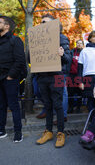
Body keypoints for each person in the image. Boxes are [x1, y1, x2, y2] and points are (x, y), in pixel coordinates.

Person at [0, 16, 26, 143]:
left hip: (9, 79)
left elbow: (20, 61)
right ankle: (0, 131)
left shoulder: (15, 40)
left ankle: (18, 132)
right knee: (0, 106)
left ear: (7, 26)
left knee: (14, 106)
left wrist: (10, 76)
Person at [35, 14, 71, 148]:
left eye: (46, 22)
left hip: (57, 76)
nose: (43, 24)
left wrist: (62, 54)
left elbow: (68, 59)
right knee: (48, 105)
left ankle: (60, 133)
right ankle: (48, 131)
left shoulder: (61, 38)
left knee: (58, 105)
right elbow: (29, 59)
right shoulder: (37, 38)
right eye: (42, 22)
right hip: (42, 76)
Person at [67, 39, 84, 113]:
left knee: (79, 92)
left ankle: (78, 108)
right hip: (71, 75)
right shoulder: (72, 52)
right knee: (70, 92)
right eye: (78, 43)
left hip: (80, 75)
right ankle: (70, 107)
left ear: (83, 45)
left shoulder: (84, 53)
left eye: (81, 43)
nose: (79, 45)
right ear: (76, 44)